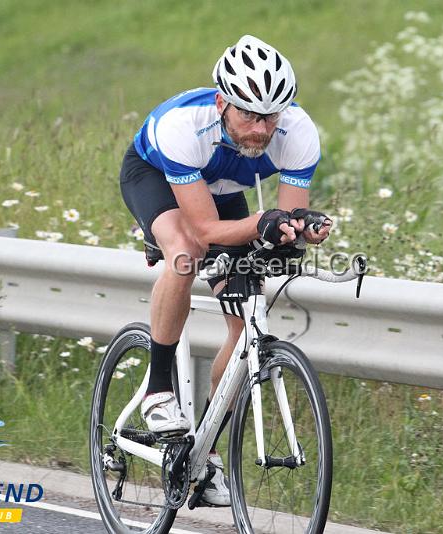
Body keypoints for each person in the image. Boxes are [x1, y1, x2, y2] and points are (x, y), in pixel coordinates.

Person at [119, 35, 331, 506]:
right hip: (158, 176)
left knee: (244, 325)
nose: (261, 129)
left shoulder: (298, 134)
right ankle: (158, 389)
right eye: (249, 116)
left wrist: (300, 231)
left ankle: (204, 455)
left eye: (271, 117)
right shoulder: (183, 127)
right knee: (186, 251)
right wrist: (262, 223)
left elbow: (284, 225)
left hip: (223, 187)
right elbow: (205, 226)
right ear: (222, 103)